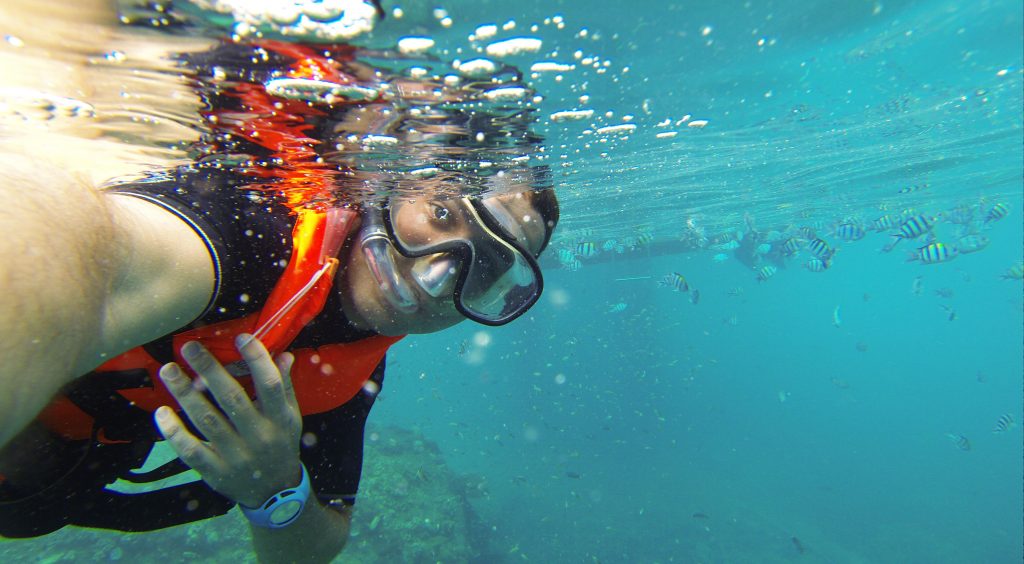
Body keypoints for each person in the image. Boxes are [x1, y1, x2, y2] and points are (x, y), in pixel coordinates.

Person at [0, 2, 558, 561]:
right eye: (441, 216)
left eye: (483, 267)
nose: (438, 279)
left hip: (63, 475)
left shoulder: (351, 371)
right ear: (383, 186)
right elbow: (90, 250)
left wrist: (274, 489)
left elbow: (311, 549)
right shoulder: (253, 236)